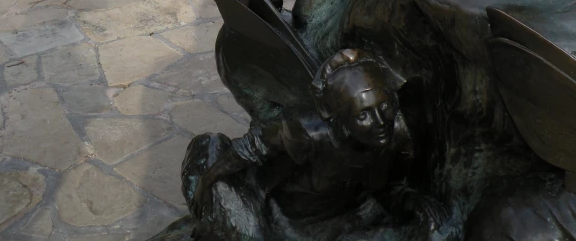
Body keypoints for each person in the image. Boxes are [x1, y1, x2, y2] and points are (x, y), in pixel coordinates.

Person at [182, 49, 447, 241]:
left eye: (385, 106)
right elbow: (248, 149)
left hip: (340, 218)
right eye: (363, 114)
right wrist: (207, 181)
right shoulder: (307, 132)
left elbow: (384, 187)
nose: (380, 121)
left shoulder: (396, 135)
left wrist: (412, 201)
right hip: (276, 215)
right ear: (341, 119)